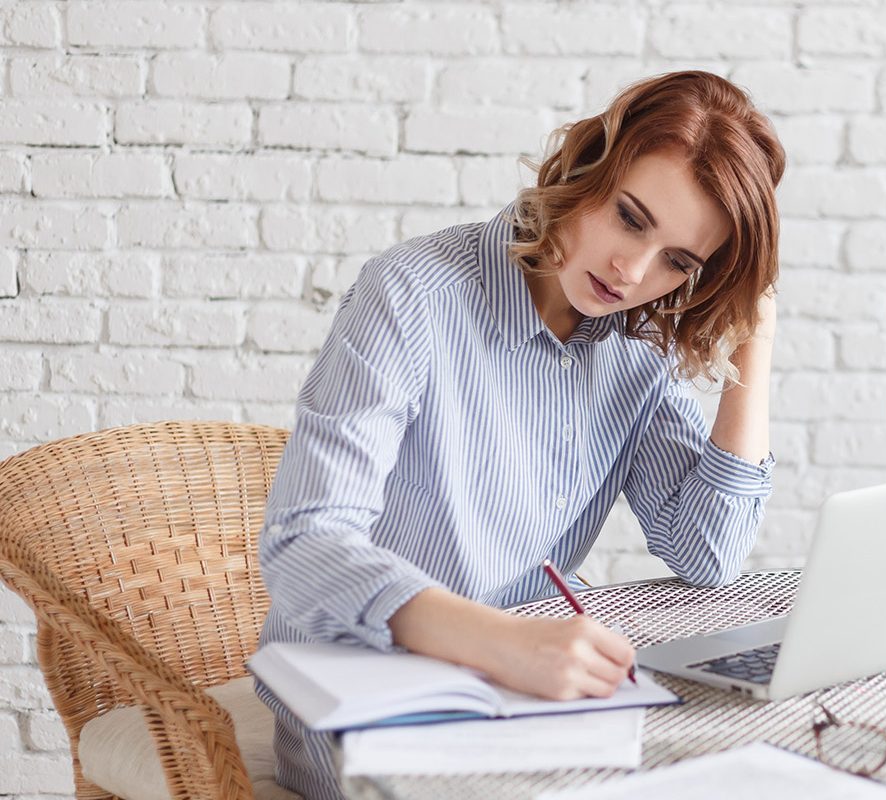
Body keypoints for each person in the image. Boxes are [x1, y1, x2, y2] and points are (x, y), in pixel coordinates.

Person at [254, 70, 785, 798]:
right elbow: (303, 545)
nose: (633, 272)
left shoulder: (635, 348)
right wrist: (506, 644)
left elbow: (709, 550)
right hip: (367, 706)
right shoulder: (411, 296)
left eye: (678, 261)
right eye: (631, 218)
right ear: (588, 169)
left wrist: (755, 339)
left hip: (531, 705)